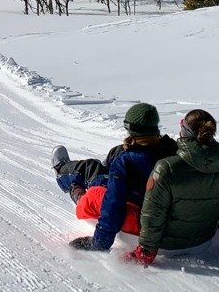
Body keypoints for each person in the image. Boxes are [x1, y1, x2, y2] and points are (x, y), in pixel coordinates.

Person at [124, 108, 219, 266]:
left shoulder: (166, 168)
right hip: (203, 242)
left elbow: (152, 214)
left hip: (165, 247)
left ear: (185, 130)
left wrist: (146, 251)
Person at [52, 103, 178, 251]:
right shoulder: (173, 149)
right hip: (166, 218)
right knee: (113, 155)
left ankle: (66, 177)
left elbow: (113, 204)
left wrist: (98, 243)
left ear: (131, 129)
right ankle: (96, 174)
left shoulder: (126, 162)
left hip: (137, 218)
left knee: (90, 168)